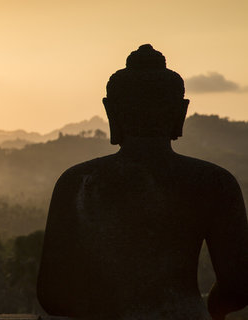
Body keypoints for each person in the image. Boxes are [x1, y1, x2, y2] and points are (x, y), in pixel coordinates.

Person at [37, 44, 248, 320]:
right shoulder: (214, 183)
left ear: (111, 112)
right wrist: (209, 310)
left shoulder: (77, 182)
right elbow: (238, 288)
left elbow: (53, 295)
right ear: (180, 113)